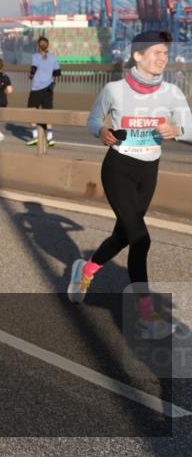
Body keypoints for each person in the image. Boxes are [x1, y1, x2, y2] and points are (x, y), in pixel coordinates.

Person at [68, 31, 192, 339]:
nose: (163, 58)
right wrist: (101, 131)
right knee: (141, 239)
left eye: (165, 53)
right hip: (119, 167)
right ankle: (147, 317)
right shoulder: (114, 90)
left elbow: (190, 127)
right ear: (137, 55)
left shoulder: (172, 93)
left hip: (149, 170)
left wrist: (177, 128)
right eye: (157, 52)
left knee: (124, 235)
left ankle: (85, 271)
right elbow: (94, 119)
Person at [27, 36, 60, 146]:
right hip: (48, 88)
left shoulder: (35, 56)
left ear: (38, 46)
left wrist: (31, 76)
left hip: (36, 88)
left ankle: (35, 136)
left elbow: (33, 68)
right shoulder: (52, 57)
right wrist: (48, 74)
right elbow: (58, 72)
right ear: (47, 46)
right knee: (48, 113)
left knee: (32, 111)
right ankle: (50, 138)